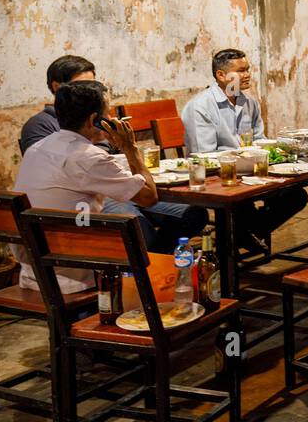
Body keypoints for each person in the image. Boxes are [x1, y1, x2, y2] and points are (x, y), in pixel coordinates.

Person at [13, 80, 207, 293]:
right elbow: (148, 197)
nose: (112, 118)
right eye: (108, 112)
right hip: (73, 273)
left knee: (187, 215)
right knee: (136, 229)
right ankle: (147, 279)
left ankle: (151, 271)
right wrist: (130, 148)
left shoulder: (37, 148)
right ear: (94, 120)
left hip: (35, 265)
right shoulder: (87, 156)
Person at [181, 47, 306, 245]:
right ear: (221, 75)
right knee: (240, 201)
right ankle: (241, 237)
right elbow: (203, 157)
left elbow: (260, 140)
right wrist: (241, 161)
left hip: (250, 172)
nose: (247, 75)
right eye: (240, 71)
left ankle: (245, 233)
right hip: (219, 177)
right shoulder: (200, 107)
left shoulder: (249, 103)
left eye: (247, 69)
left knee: (296, 195)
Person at [19, 54, 95, 154]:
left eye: (93, 85)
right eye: (81, 86)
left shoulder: (93, 115)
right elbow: (45, 163)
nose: (91, 91)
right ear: (57, 87)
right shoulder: (40, 125)